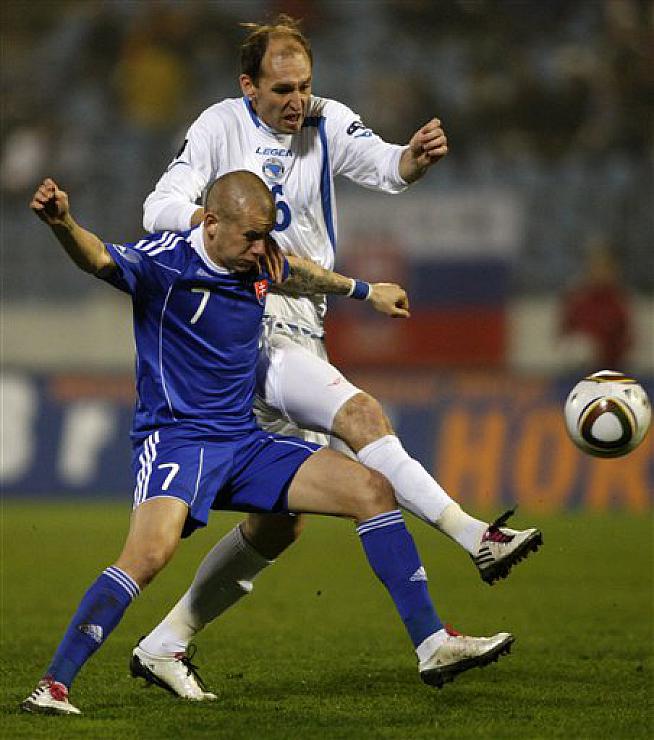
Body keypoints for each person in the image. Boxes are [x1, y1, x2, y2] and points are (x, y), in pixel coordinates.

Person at [136, 15, 541, 699]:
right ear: (248, 86)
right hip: (252, 324)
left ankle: (164, 643)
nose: (297, 100)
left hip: (306, 321)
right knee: (361, 414)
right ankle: (474, 537)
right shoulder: (216, 127)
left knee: (279, 525)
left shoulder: (326, 119)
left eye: (304, 85)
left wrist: (414, 157)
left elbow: (386, 166)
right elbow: (158, 208)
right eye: (282, 89)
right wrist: (215, 224)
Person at [22, 173, 515, 715]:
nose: (262, 249)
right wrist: (64, 224)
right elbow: (98, 258)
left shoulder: (256, 259)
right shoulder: (165, 263)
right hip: (179, 441)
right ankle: (53, 686)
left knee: (370, 490)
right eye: (252, 237)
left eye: (266, 236)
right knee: (150, 554)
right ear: (211, 224)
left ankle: (431, 643)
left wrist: (364, 291)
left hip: (243, 441)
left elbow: (297, 272)